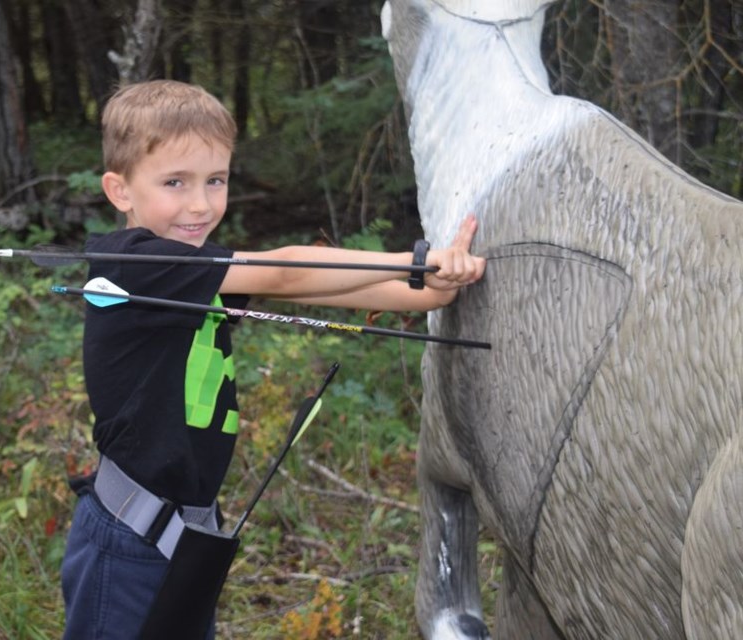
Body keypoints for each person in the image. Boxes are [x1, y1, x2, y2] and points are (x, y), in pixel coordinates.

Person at [60, 79, 485, 639]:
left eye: (216, 180)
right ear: (120, 191)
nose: (200, 203)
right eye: (174, 182)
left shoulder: (193, 265)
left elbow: (325, 289)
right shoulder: (132, 264)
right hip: (128, 540)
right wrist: (416, 261)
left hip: (185, 539)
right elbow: (286, 270)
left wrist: (437, 286)